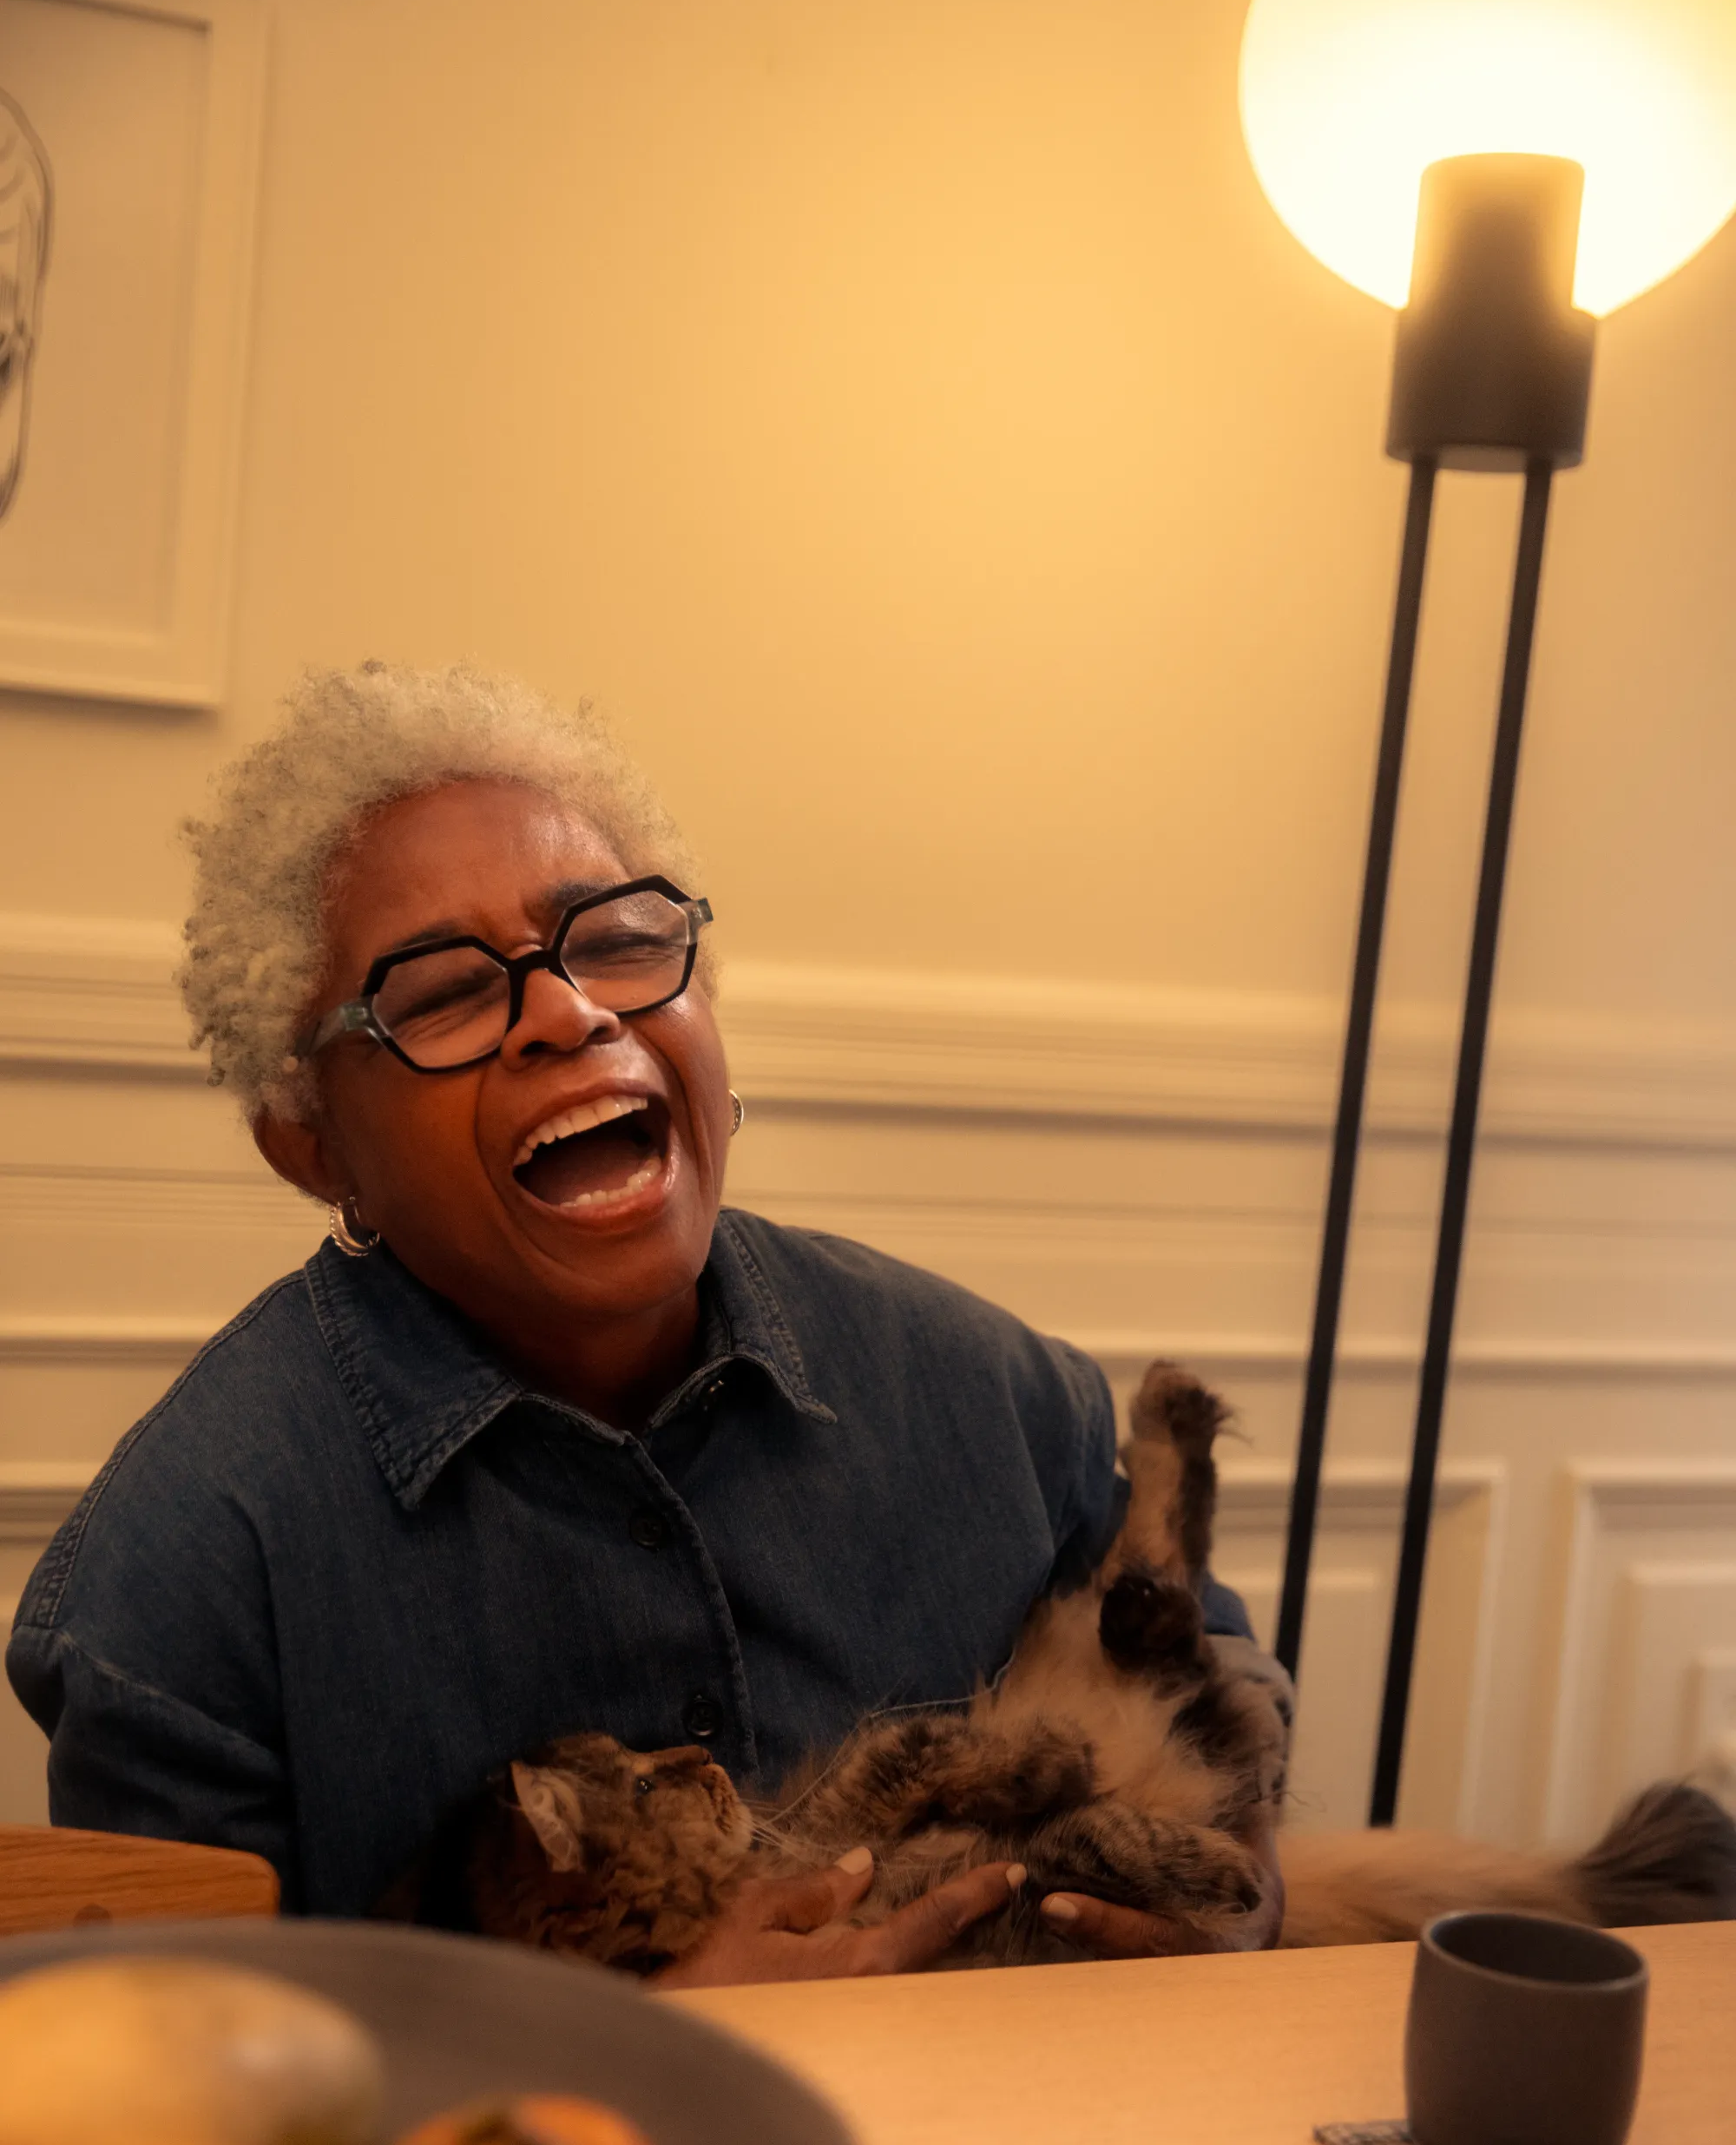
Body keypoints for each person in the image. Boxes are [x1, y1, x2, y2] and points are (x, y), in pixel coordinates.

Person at [8, 664, 1285, 1984]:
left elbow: (1225, 1671)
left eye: (619, 940)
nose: (570, 1010)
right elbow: (176, 2066)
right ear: (311, 1144)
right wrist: (641, 2030)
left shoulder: (994, 1395)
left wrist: (1243, 1891)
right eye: (441, 994)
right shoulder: (182, 1580)